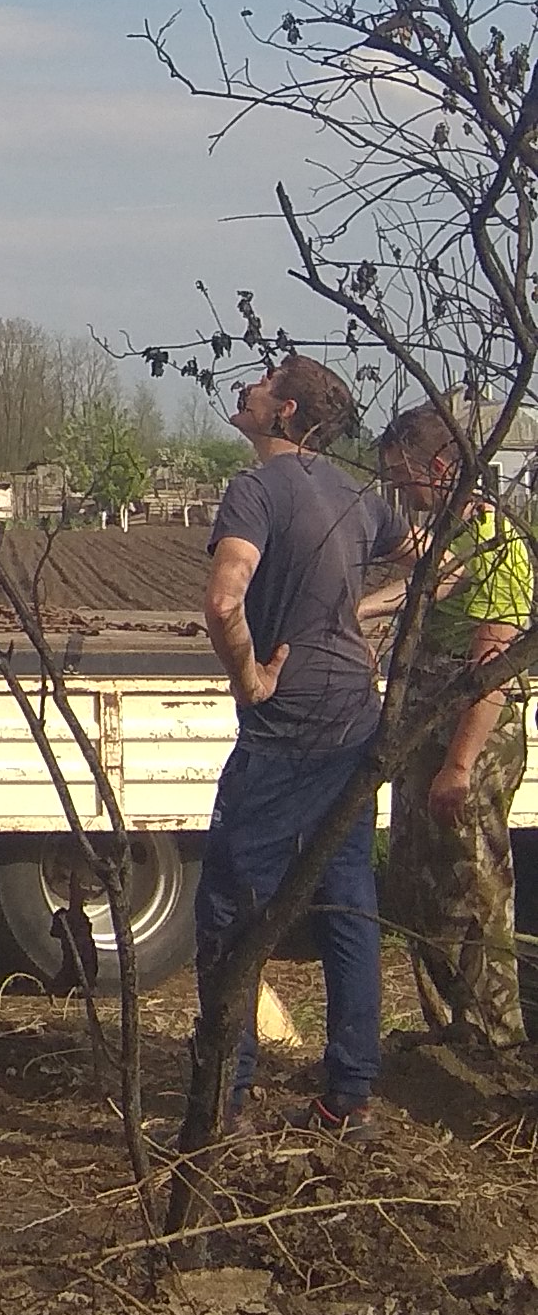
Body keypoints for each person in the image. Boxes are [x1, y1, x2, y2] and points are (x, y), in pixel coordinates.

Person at [196, 357, 408, 1135]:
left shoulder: (254, 491)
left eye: (258, 384)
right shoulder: (355, 492)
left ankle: (224, 1102)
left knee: (230, 908)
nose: (243, 389)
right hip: (354, 715)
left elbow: (224, 601)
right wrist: (361, 618)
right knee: (348, 901)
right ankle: (348, 1099)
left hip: (286, 729)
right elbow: (443, 562)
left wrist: (250, 676)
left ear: (282, 412)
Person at [376, 406, 533, 1065]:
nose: (399, 493)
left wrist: (459, 766)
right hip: (428, 735)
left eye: (402, 477)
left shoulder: (502, 549)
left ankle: (496, 1044)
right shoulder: (454, 534)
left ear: (439, 468)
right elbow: (420, 587)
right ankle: (449, 1032)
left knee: (471, 892)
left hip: (470, 743)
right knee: (418, 886)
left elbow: (489, 672)